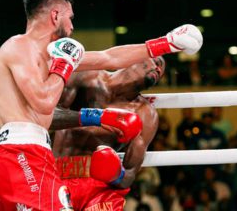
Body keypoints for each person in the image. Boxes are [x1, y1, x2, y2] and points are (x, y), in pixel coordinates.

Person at [0, 0, 202, 211]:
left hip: (28, 153)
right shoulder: (20, 46)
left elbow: (109, 58)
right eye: (70, 17)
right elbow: (44, 101)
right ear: (55, 15)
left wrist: (165, 44)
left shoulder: (45, 55)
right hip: (21, 154)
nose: (72, 26)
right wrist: (63, 66)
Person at [50, 57, 165, 210]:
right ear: (137, 55)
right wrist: (97, 118)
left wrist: (116, 174)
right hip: (56, 175)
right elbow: (47, 118)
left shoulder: (145, 114)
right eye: (157, 62)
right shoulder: (86, 76)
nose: (158, 69)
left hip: (100, 189)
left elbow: (129, 174)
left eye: (161, 69)